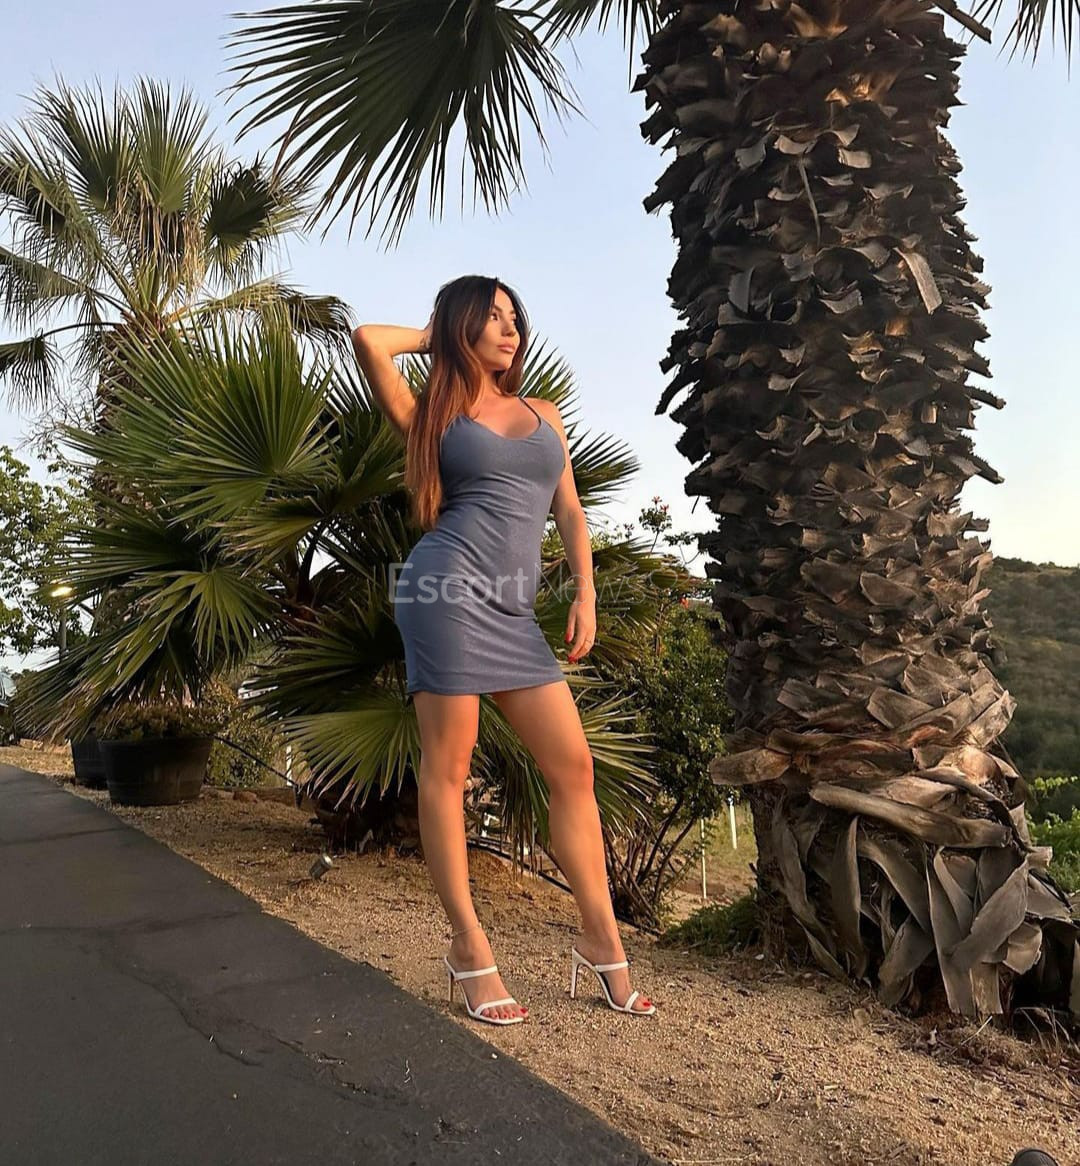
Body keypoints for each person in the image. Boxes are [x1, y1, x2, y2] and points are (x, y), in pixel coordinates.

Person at [351, 275, 655, 1025]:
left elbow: (570, 511)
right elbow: (369, 341)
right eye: (491, 317)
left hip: (515, 614)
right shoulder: (434, 417)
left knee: (573, 766)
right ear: (463, 327)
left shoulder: (543, 413)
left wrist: (585, 591)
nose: (510, 328)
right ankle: (468, 944)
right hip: (446, 594)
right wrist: (440, 336)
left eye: (514, 316)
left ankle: (601, 937)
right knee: (449, 770)